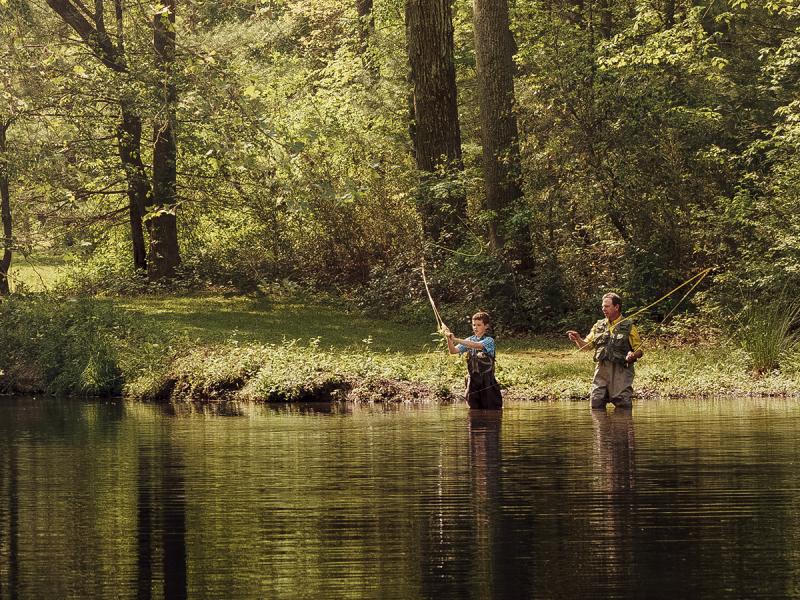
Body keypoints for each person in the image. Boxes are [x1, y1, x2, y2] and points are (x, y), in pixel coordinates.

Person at [567, 292, 643, 410]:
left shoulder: (629, 326)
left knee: (623, 404)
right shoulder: (598, 326)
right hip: (601, 371)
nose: (603, 309)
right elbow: (586, 346)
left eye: (607, 306)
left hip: (621, 371)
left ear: (616, 307)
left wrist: (633, 355)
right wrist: (578, 338)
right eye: (603, 306)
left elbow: (639, 349)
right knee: (596, 402)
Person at [442, 312, 503, 410]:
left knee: (492, 411)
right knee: (473, 412)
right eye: (474, 325)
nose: (475, 327)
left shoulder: (489, 340)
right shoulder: (469, 339)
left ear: (486, 326)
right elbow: (453, 351)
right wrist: (449, 338)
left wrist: (456, 339)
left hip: (487, 382)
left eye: (479, 325)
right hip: (472, 382)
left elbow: (476, 345)